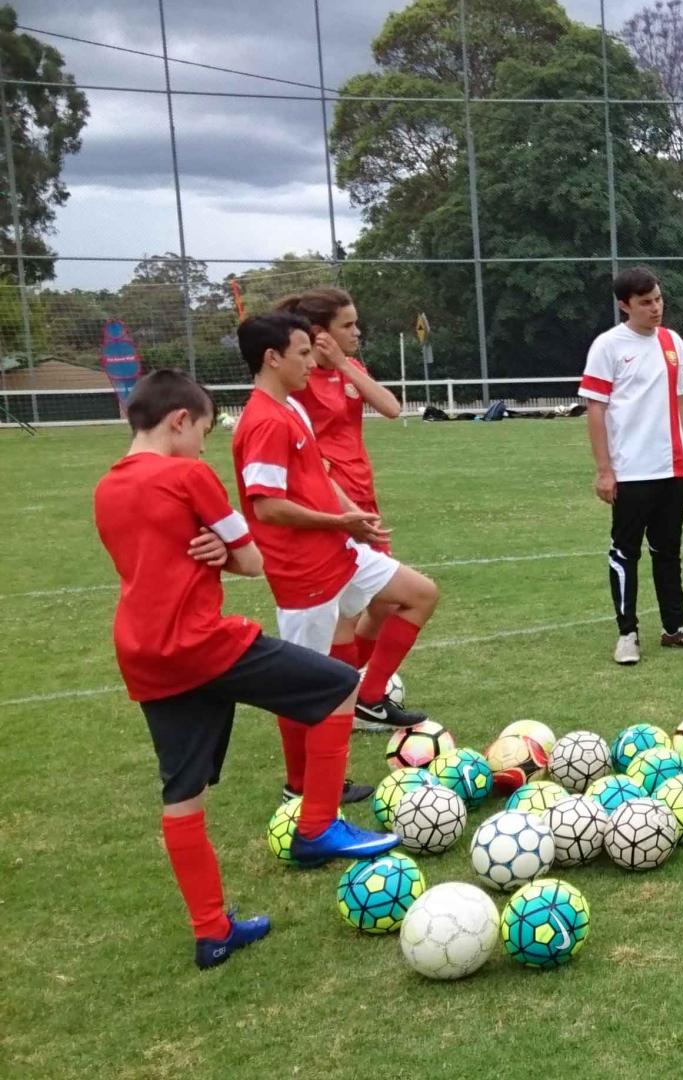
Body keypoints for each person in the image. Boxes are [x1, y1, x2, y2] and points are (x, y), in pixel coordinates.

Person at [92, 370, 397, 969]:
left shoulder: (106, 488)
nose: (204, 444)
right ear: (180, 420)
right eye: (203, 430)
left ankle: (212, 932)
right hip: (204, 642)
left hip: (143, 652)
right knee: (339, 686)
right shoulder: (187, 475)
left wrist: (208, 549)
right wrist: (222, 552)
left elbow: (156, 560)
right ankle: (317, 827)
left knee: (184, 795)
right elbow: (252, 559)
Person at [230, 313, 441, 770]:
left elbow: (320, 475)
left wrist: (350, 517)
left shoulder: (291, 406)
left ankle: (368, 699)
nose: (311, 362)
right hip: (302, 569)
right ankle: (301, 784)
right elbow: (266, 506)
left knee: (420, 594)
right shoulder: (265, 421)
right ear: (272, 358)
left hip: (339, 552)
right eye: (302, 353)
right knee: (304, 685)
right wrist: (337, 521)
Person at [275, 287, 412, 738]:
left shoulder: (347, 369)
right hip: (334, 505)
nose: (357, 332)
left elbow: (392, 408)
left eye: (356, 323)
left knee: (387, 603)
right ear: (320, 334)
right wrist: (344, 508)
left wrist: (342, 364)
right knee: (351, 611)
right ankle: (350, 702)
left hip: (363, 497)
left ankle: (355, 696)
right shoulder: (298, 380)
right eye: (347, 325)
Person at [579, 266, 683, 665]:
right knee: (625, 552)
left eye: (658, 299)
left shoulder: (671, 341)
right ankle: (627, 634)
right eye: (646, 302)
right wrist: (604, 469)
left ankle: (675, 629)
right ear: (625, 305)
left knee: (668, 551)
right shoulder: (607, 346)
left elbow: (681, 401)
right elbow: (596, 409)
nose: (656, 308)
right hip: (630, 471)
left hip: (671, 468)